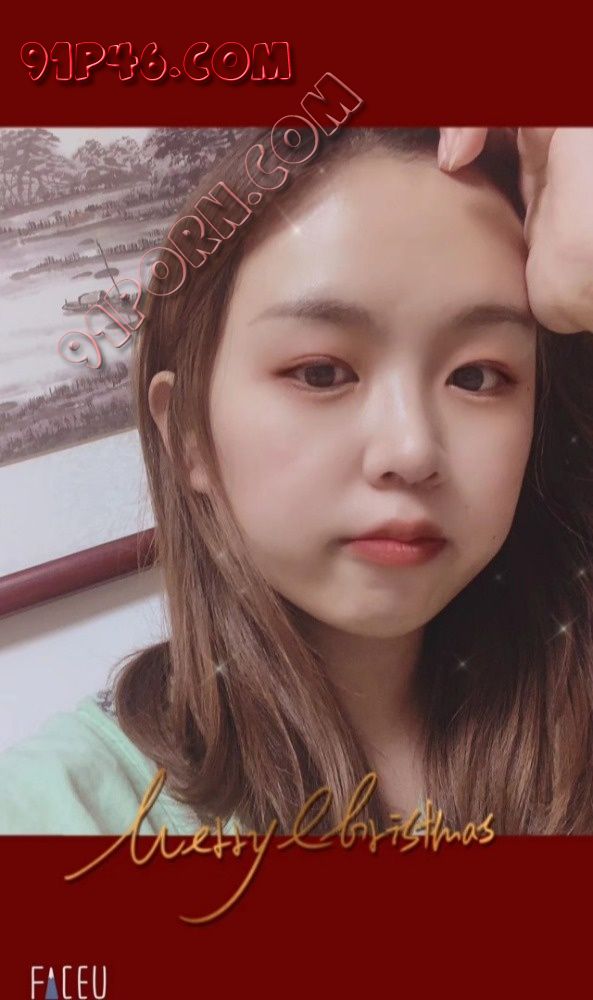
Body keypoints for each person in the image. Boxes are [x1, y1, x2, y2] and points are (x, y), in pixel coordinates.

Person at [1, 126, 593, 836]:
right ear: (186, 432)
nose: (410, 450)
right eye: (321, 373)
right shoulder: (63, 810)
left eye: (476, 376)